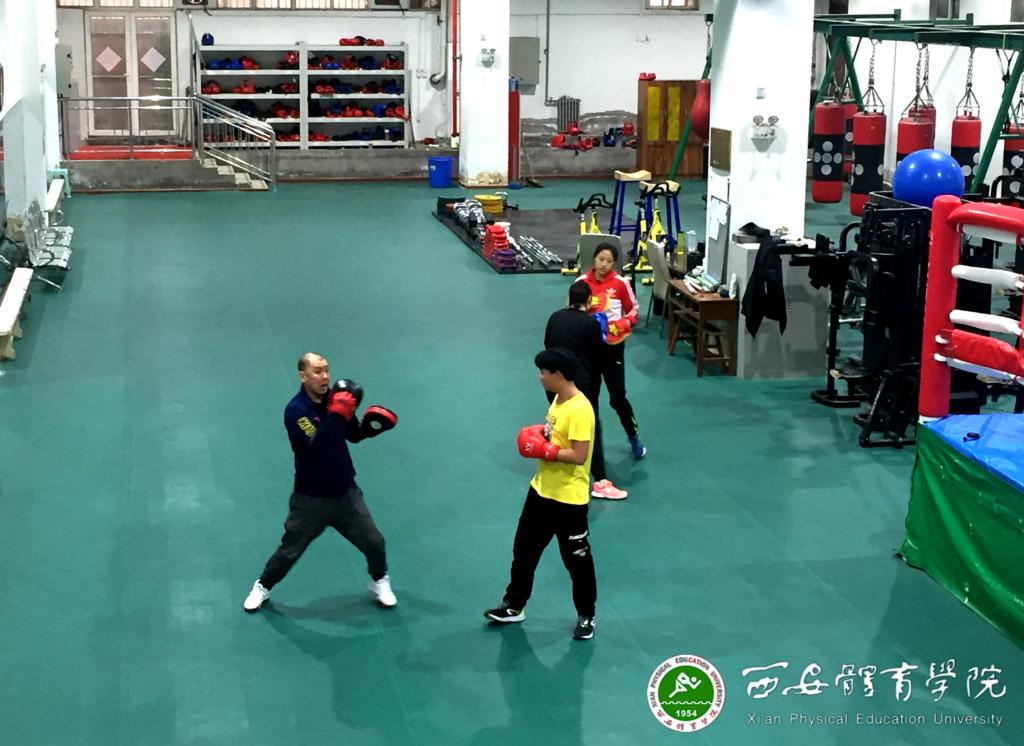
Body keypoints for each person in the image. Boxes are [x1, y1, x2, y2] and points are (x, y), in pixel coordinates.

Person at [243, 352, 399, 612]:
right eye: (317, 371)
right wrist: (337, 414)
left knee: (375, 542)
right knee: (289, 552)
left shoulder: (336, 399)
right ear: (303, 376)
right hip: (311, 500)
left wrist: (372, 427)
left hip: (346, 494)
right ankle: (262, 586)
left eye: (326, 370)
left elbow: (352, 435)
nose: (325, 376)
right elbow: (319, 446)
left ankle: (379, 580)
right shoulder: (295, 411)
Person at [485, 348, 598, 641]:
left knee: (577, 561)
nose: (540, 377)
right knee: (523, 552)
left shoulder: (580, 409)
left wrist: (544, 449)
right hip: (540, 491)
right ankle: (514, 605)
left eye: (543, 372)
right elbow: (556, 436)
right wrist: (541, 434)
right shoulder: (558, 400)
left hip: (568, 500)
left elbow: (579, 455)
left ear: (557, 374)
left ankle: (587, 615)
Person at [544, 282, 627, 500]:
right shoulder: (590, 324)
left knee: (559, 424)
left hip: (552, 381)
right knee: (590, 428)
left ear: (568, 298)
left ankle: (557, 468)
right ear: (589, 301)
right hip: (578, 385)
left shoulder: (554, 317)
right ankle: (600, 481)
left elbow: (548, 345)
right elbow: (597, 357)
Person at [575, 242, 646, 459]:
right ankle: (590, 447)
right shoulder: (581, 283)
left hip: (613, 349)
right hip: (589, 351)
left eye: (609, 261)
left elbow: (633, 309)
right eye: (601, 259)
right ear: (594, 259)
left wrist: (625, 323)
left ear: (614, 263)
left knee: (618, 398)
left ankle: (633, 436)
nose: (604, 264)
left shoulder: (621, 283)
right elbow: (572, 311)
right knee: (589, 400)